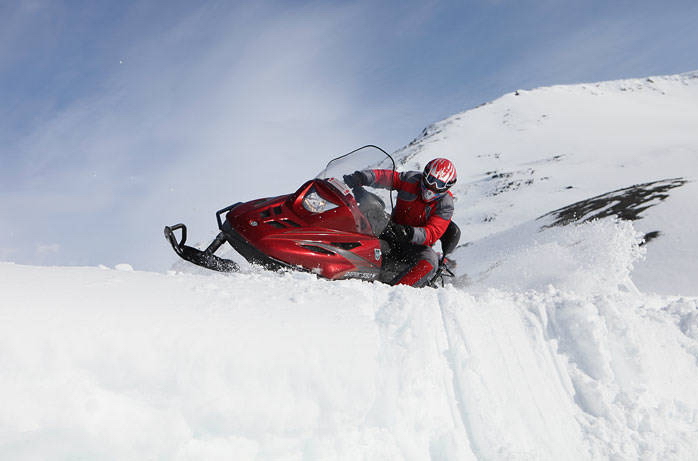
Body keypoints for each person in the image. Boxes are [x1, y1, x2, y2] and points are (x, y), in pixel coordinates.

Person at [343, 158, 457, 287]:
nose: (433, 187)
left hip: (414, 244)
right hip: (391, 227)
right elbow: (388, 177)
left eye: (439, 185)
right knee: (367, 210)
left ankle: (398, 291)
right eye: (431, 180)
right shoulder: (412, 179)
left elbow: (432, 232)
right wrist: (362, 177)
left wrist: (410, 233)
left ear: (447, 187)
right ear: (425, 175)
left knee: (430, 260)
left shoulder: (445, 205)